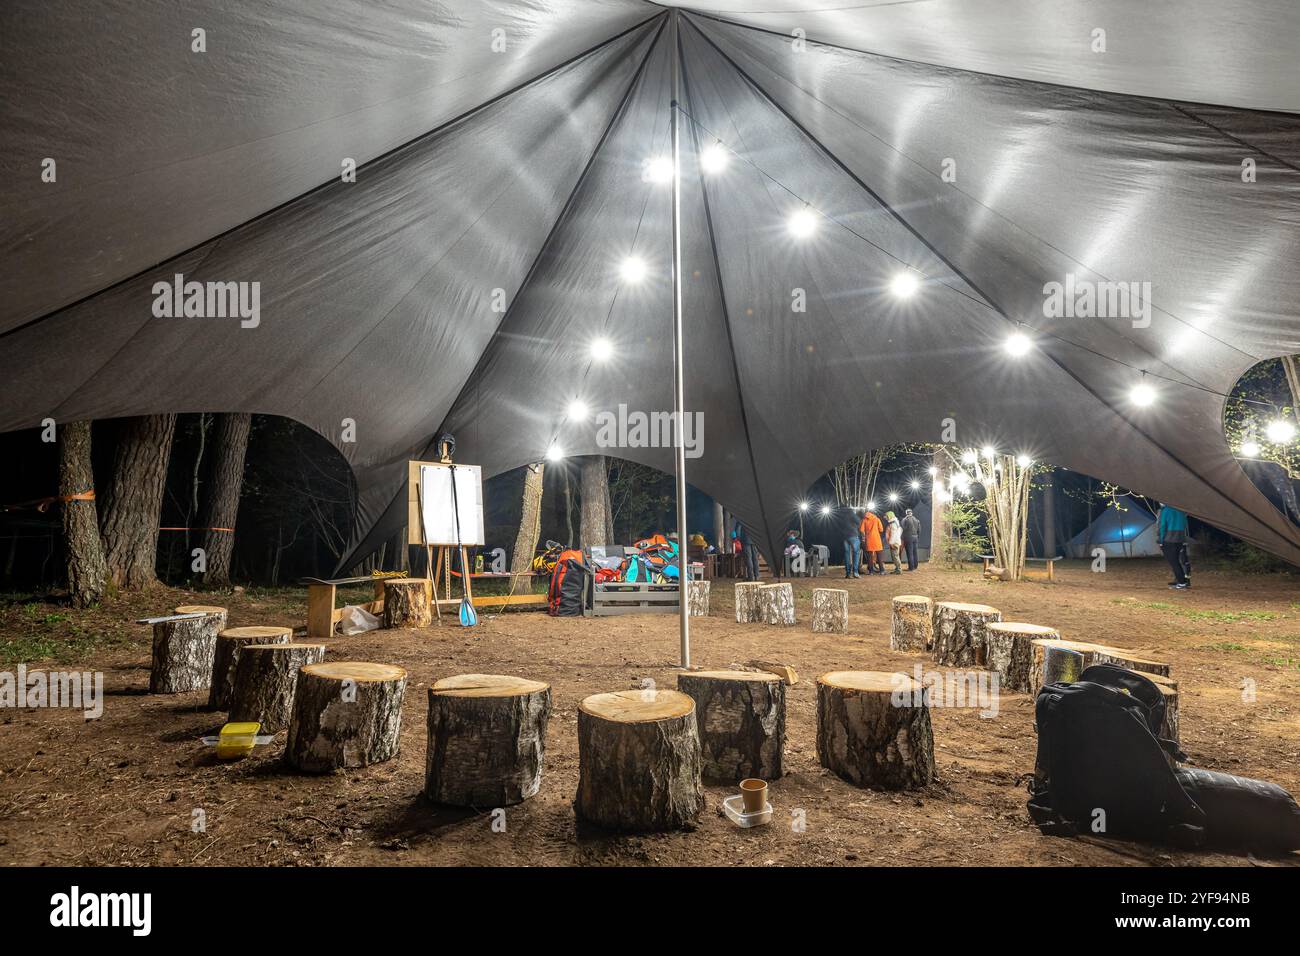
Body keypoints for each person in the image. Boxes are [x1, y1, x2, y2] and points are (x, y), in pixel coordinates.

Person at [1156, 503, 1190, 589]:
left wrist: (1161, 540)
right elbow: (1185, 524)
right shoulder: (1181, 510)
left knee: (1174, 563)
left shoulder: (1165, 510)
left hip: (1169, 539)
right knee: (1178, 561)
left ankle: (1182, 583)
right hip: (1180, 538)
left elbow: (1163, 526)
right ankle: (1182, 580)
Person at [837, 504, 862, 578]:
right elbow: (858, 521)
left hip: (844, 536)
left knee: (847, 554)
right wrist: (855, 527)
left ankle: (848, 573)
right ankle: (855, 572)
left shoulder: (839, 515)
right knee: (856, 553)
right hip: (853, 535)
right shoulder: (851, 512)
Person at [860, 508, 884, 575]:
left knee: (870, 557)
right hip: (877, 539)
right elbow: (881, 529)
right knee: (879, 556)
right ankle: (882, 571)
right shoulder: (877, 519)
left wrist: (864, 537)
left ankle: (871, 571)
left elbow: (861, 530)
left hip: (869, 540)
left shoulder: (864, 520)